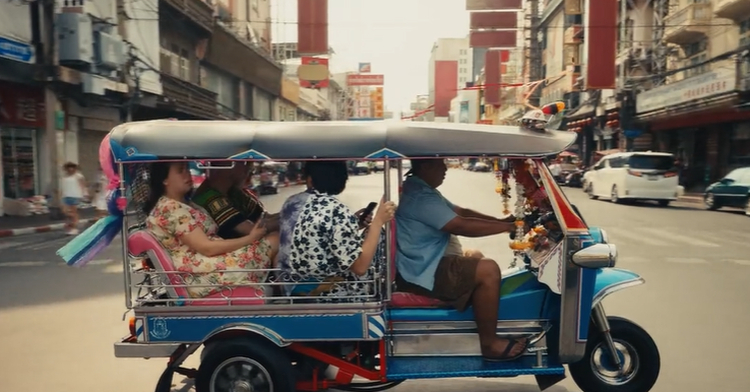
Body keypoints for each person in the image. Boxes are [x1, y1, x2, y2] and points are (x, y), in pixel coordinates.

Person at [395, 158, 529, 362]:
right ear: (425, 166)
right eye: (440, 163)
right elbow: (460, 225)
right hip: (422, 275)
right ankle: (489, 344)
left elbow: (462, 212)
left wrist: (502, 222)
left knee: (475, 256)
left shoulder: (421, 189)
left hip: (423, 266)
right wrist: (509, 228)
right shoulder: (420, 197)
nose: (445, 168)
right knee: (488, 269)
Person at [144, 161, 274, 298]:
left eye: (187, 169)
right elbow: (207, 247)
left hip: (212, 265)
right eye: (180, 171)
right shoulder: (170, 208)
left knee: (274, 239)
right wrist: (250, 238)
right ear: (164, 179)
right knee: (274, 240)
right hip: (205, 274)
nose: (187, 174)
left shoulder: (185, 203)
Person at [286, 161, 395, 300]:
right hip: (327, 293)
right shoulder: (336, 210)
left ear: (310, 180)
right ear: (343, 180)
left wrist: (353, 224)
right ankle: (380, 294)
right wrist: (378, 222)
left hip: (297, 284)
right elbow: (360, 268)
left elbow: (319, 235)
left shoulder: (299, 203)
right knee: (377, 235)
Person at [192, 161, 280, 256]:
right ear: (227, 168)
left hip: (244, 246)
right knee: (276, 238)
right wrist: (287, 217)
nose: (249, 170)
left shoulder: (234, 193)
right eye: (244, 163)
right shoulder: (210, 198)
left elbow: (262, 216)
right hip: (231, 252)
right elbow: (249, 229)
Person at [60, 162, 87, 235]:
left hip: (75, 196)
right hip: (66, 196)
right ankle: (71, 225)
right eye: (68, 167)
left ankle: (74, 228)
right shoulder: (64, 176)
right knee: (66, 212)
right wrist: (61, 195)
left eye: (72, 167)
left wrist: (84, 194)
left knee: (73, 213)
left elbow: (82, 185)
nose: (70, 169)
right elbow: (63, 186)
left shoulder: (79, 176)